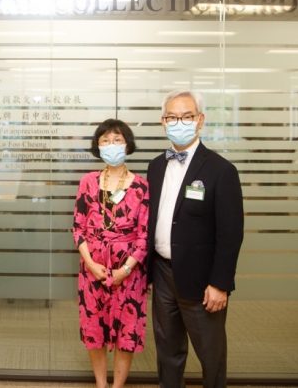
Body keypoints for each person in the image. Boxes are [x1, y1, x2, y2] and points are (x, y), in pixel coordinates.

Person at [147, 90, 244, 388]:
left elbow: (231, 233)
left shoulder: (221, 170)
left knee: (211, 356)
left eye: (186, 116)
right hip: (163, 274)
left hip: (203, 282)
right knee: (168, 352)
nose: (179, 123)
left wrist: (220, 283)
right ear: (163, 122)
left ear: (200, 120)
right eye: (172, 117)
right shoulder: (157, 166)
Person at [72, 118, 149, 388]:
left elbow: (144, 235)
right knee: (94, 330)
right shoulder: (88, 182)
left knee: (126, 332)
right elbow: (78, 228)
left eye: (117, 140)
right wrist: (91, 264)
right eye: (105, 141)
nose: (111, 145)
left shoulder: (141, 186)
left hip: (129, 272)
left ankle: (117, 386)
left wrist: (125, 269)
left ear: (127, 145)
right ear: (97, 146)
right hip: (92, 269)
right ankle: (101, 384)